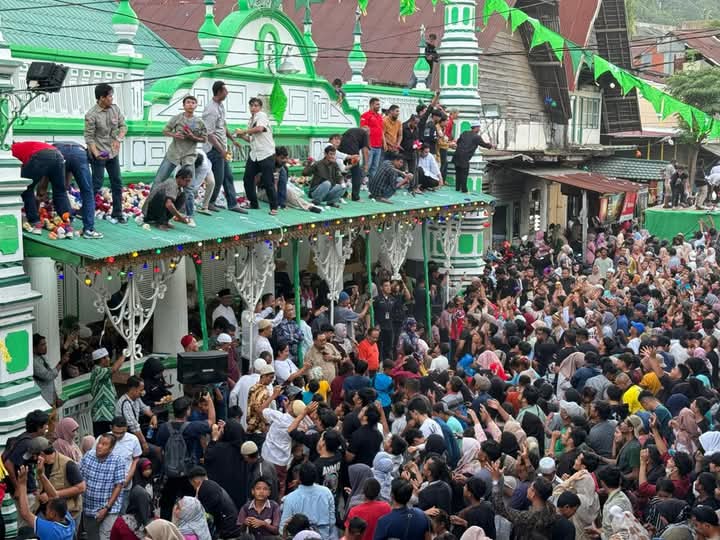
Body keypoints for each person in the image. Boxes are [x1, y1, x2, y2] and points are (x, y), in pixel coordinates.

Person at [156, 396, 214, 520]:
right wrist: (209, 401)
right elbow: (211, 421)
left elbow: (159, 450)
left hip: (169, 473)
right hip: (188, 473)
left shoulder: (163, 428)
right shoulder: (192, 427)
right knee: (190, 503)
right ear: (187, 411)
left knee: (166, 505)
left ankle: (165, 528)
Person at [154, 94, 208, 224]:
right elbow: (165, 131)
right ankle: (150, 209)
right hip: (174, 153)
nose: (190, 105)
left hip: (189, 156)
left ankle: (189, 215)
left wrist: (193, 137)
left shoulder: (199, 122)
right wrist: (174, 134)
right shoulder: (177, 118)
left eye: (193, 103)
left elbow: (205, 139)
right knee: (159, 180)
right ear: (183, 105)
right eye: (188, 102)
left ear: (196, 105)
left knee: (189, 187)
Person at [85, 83, 127, 223]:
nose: (111, 98)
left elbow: (123, 126)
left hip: (113, 153)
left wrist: (119, 139)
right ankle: (85, 210)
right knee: (97, 183)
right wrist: (96, 153)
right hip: (99, 153)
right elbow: (89, 138)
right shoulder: (91, 115)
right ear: (101, 98)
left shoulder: (115, 109)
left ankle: (117, 213)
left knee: (117, 182)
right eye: (109, 96)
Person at [203, 80, 247, 214]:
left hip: (222, 148)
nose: (227, 93)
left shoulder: (220, 106)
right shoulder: (211, 110)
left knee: (228, 176)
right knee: (218, 178)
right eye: (225, 91)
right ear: (219, 92)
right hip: (214, 149)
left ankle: (233, 204)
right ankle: (210, 203)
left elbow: (223, 126)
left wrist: (233, 140)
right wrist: (221, 151)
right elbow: (209, 134)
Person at [12, 141, 72, 234]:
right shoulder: (23, 146)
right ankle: (66, 224)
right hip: (58, 155)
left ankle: (34, 222)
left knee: (26, 188)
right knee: (60, 191)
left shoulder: (10, 151)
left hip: (41, 156)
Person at [79, 433, 126, 540]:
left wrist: (106, 508)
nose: (99, 446)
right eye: (99, 443)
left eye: (104, 444)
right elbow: (80, 475)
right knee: (92, 537)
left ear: (111, 448)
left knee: (105, 537)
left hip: (109, 508)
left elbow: (118, 486)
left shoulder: (118, 461)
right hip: (89, 507)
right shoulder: (89, 455)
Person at [237, 97, 278, 214]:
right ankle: (253, 203)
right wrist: (241, 136)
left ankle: (274, 207)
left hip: (266, 153)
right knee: (247, 178)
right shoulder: (251, 121)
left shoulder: (262, 115)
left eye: (256, 105)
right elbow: (251, 139)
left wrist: (244, 131)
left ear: (260, 107)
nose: (253, 108)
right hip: (254, 154)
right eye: (251, 105)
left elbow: (260, 128)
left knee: (268, 181)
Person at [54, 140, 102, 238]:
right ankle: (89, 230)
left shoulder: (48, 151)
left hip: (58, 152)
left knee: (59, 190)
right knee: (87, 192)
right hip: (79, 153)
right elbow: (70, 169)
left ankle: (65, 224)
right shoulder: (81, 151)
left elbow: (63, 182)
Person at [16, 464, 76, 540]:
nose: (46, 511)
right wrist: (41, 474)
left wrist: (22, 484)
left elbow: (26, 514)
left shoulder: (51, 530)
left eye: (47, 509)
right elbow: (54, 496)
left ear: (53, 514)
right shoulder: (69, 520)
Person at [280, 463, 336, 540]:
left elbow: (283, 527)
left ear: (299, 478)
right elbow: (332, 522)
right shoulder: (327, 492)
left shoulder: (290, 498)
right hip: (323, 536)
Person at [36, 443, 86, 526]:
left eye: (35, 456)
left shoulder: (68, 464)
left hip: (67, 514)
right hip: (47, 513)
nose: (35, 459)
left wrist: (53, 494)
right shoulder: (41, 465)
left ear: (42, 454)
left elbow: (81, 488)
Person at [188, 466, 244, 540]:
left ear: (195, 481)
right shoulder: (212, 486)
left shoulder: (206, 488)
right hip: (232, 528)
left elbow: (203, 515)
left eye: (193, 486)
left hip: (228, 533)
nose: (194, 488)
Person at [115, 376, 157, 456]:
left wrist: (153, 416)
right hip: (126, 437)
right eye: (141, 390)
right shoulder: (125, 403)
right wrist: (144, 443)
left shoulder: (136, 398)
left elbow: (144, 408)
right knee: (157, 451)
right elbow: (134, 427)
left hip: (135, 434)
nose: (142, 392)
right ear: (133, 389)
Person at [451, 123, 492, 193]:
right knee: (464, 174)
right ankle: (464, 190)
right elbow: (484, 145)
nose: (479, 129)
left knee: (458, 173)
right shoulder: (477, 137)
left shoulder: (464, 133)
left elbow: (458, 142)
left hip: (457, 155)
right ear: (476, 128)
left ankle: (457, 188)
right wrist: (491, 146)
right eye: (479, 127)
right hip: (464, 157)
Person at [32, 333, 67, 407]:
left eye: (45, 344)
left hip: (51, 400)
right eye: (42, 345)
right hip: (44, 402)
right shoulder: (34, 362)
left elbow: (50, 381)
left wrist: (56, 398)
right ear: (34, 347)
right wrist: (61, 363)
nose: (45, 347)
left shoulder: (42, 357)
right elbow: (48, 376)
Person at [338, 126, 370, 201]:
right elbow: (365, 151)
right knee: (356, 173)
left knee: (341, 172)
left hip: (341, 150)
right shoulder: (365, 133)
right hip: (352, 152)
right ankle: (355, 197)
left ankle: (343, 193)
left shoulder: (351, 130)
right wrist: (366, 165)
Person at [360, 98, 385, 180]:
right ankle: (360, 182)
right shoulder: (365, 115)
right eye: (377, 104)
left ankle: (372, 185)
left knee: (374, 168)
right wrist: (367, 144)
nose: (379, 106)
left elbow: (381, 130)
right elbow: (363, 130)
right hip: (369, 146)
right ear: (371, 105)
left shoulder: (379, 116)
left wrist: (384, 142)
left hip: (378, 146)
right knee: (366, 166)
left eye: (379, 104)